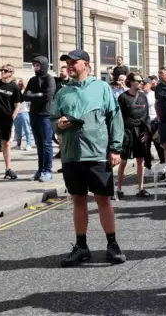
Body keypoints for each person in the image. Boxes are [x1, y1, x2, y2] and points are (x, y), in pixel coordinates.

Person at [51, 49, 126, 267]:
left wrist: (115, 149)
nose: (70, 66)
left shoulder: (102, 87)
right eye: (68, 63)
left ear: (86, 65)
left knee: (103, 199)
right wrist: (59, 125)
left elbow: (115, 119)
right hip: (72, 155)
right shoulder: (63, 92)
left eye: (74, 62)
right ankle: (81, 246)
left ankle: (112, 244)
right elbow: (53, 120)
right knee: (78, 200)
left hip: (97, 154)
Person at [116, 72, 151, 198]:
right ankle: (118, 189)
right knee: (123, 161)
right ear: (131, 82)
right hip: (127, 132)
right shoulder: (123, 97)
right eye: (138, 81)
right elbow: (118, 117)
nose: (141, 83)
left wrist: (147, 132)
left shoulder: (143, 97)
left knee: (141, 161)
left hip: (140, 132)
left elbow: (147, 116)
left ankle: (141, 188)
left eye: (142, 81)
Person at [24, 55, 57, 182]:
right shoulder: (32, 80)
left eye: (38, 65)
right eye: (34, 65)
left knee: (47, 143)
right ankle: (40, 169)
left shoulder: (50, 79)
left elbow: (48, 96)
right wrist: (39, 94)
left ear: (43, 65)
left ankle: (48, 170)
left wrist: (33, 95)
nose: (35, 67)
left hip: (46, 114)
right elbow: (25, 96)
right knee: (38, 144)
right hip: (33, 114)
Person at [14, 79, 33, 150]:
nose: (20, 85)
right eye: (19, 84)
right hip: (17, 112)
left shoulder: (27, 91)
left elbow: (28, 97)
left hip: (24, 112)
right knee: (18, 130)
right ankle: (18, 144)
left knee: (27, 129)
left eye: (22, 84)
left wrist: (25, 87)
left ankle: (29, 144)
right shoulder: (16, 91)